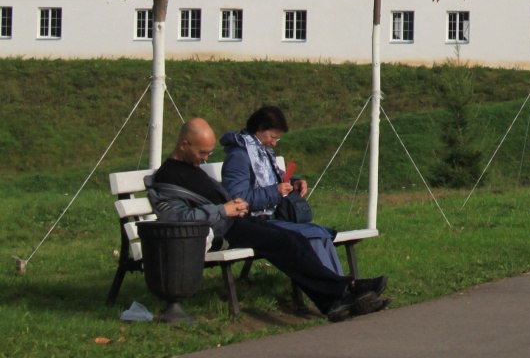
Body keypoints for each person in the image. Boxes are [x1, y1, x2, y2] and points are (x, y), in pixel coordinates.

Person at [148, 118, 389, 321]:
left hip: (236, 221)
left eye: (209, 153)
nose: (205, 158)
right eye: (202, 153)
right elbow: (178, 219)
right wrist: (224, 210)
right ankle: (346, 290)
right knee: (285, 242)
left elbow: (215, 199)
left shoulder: (191, 167)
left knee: (294, 239)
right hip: (222, 232)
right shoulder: (167, 178)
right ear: (184, 144)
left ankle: (337, 298)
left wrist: (236, 206)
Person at [221, 104, 341, 274]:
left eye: (277, 139)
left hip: (270, 219)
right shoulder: (239, 157)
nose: (274, 143)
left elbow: (273, 178)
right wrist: (275, 192)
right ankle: (338, 290)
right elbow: (238, 200)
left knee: (321, 234)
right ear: (260, 129)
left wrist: (294, 182)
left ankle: (343, 286)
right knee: (313, 235)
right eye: (272, 137)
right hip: (252, 224)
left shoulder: (262, 152)